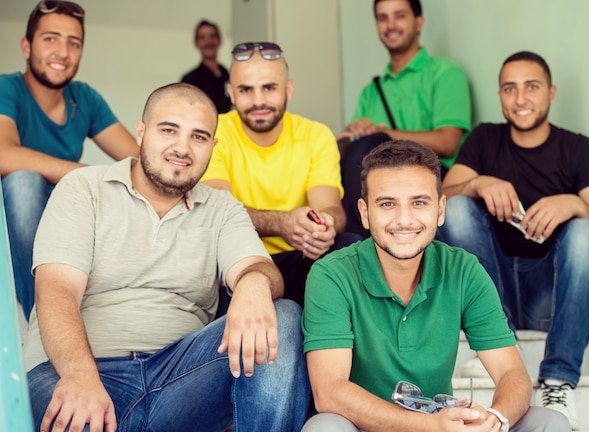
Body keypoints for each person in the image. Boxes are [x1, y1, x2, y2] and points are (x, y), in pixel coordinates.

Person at [23, 83, 310, 432]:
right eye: (169, 130)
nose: (182, 148)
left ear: (212, 147)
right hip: (77, 370)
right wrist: (79, 375)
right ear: (141, 132)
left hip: (179, 381)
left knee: (283, 316)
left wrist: (253, 283)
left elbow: (259, 267)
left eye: (199, 137)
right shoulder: (84, 187)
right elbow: (57, 291)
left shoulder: (221, 208)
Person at [301, 140, 569, 432]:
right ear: (365, 213)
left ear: (440, 209)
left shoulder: (462, 270)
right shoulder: (331, 274)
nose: (404, 220)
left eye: (419, 203)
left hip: (441, 425)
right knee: (325, 427)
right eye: (388, 204)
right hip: (368, 426)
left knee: (549, 422)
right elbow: (330, 392)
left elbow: (511, 373)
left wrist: (495, 419)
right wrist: (428, 425)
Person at [437, 51, 589, 430]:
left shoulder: (579, 150)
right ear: (500, 95)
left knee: (588, 229)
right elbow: (438, 206)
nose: (520, 99)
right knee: (456, 207)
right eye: (510, 88)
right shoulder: (485, 139)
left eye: (531, 87)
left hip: (548, 297)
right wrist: (477, 183)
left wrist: (576, 205)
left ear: (551, 93)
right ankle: (500, 344)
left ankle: (557, 379)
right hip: (491, 289)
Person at [0, 0, 139, 321]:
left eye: (73, 43)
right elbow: (5, 154)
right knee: (23, 181)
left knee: (127, 191)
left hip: (66, 216)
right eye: (50, 39)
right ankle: (41, 319)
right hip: (12, 221)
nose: (62, 51)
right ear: (26, 46)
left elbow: (136, 161)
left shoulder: (84, 97)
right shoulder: (8, 89)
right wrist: (87, 176)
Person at [202, 42, 358, 307]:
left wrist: (324, 225)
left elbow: (330, 206)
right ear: (231, 93)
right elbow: (218, 212)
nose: (258, 101)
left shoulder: (316, 135)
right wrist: (282, 224)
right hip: (237, 263)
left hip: (301, 256)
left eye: (269, 88)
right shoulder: (214, 132)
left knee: (348, 245)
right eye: (246, 90)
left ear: (289, 89)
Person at [339, 0, 472, 238]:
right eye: (382, 18)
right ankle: (356, 245)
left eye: (399, 16)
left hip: (429, 175)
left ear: (418, 22)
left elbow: (448, 141)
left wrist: (385, 134)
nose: (390, 25)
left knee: (369, 144)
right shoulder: (372, 90)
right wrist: (353, 132)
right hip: (383, 182)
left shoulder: (444, 72)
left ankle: (362, 247)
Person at [181, 20, 231, 114]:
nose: (208, 41)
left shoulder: (227, 75)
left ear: (219, 41)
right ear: (196, 43)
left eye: (212, 36)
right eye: (202, 37)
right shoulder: (190, 80)